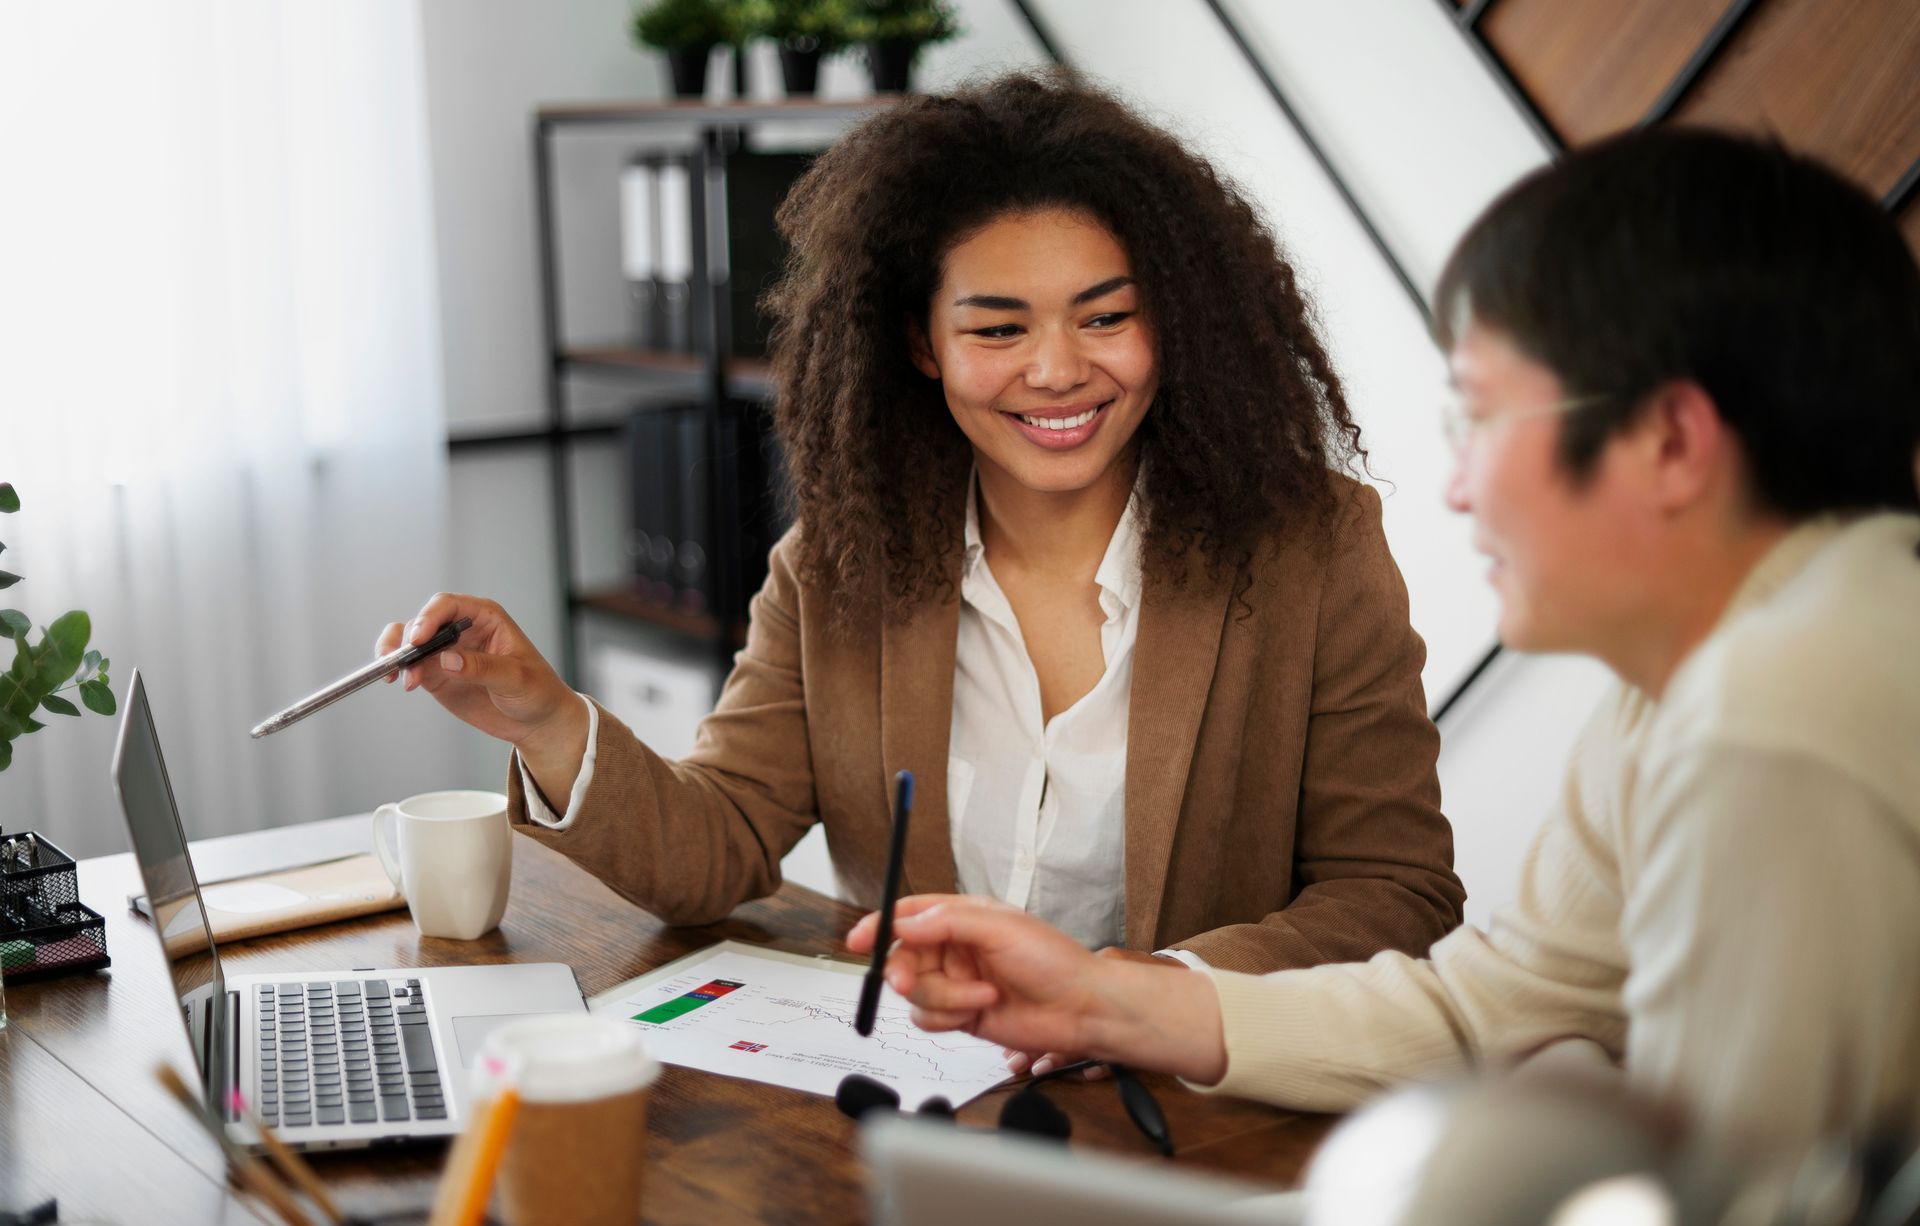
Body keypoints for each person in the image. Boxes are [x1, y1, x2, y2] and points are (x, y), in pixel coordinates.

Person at [849, 126, 1920, 1160]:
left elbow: (1767, 1218)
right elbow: (1495, 1007)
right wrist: (1097, 997)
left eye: (1482, 419)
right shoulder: (1702, 677)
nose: (1455, 488)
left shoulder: (1776, 715)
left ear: (1672, 441)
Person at [377, 72, 1462, 982]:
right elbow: (723, 844)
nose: (1057, 370)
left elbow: (1396, 889)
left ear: (1170, 318)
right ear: (922, 344)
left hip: (1190, 1115)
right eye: (998, 326)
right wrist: (545, 716)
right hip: (928, 1101)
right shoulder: (840, 565)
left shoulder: (1312, 545)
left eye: (1107, 316)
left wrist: (1145, 995)